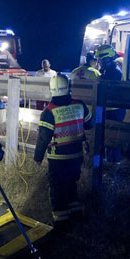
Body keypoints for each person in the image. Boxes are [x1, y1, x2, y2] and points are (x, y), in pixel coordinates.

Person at [34, 73, 93, 226]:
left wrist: (37, 157)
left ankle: (61, 223)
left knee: (57, 190)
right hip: (76, 156)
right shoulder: (79, 105)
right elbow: (90, 124)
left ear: (51, 89)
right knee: (71, 185)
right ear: (69, 87)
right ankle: (76, 215)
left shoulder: (49, 112)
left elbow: (43, 138)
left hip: (58, 160)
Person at [97, 45, 125, 163]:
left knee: (113, 138)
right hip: (111, 109)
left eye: (101, 60)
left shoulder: (113, 72)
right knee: (108, 137)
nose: (99, 62)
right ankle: (109, 162)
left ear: (107, 59)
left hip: (114, 110)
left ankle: (114, 163)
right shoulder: (109, 70)